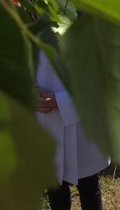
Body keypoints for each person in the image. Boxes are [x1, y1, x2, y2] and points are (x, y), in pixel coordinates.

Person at [36, 50, 108, 210]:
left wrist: (61, 101)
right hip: (47, 118)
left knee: (87, 183)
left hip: (81, 119)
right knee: (55, 184)